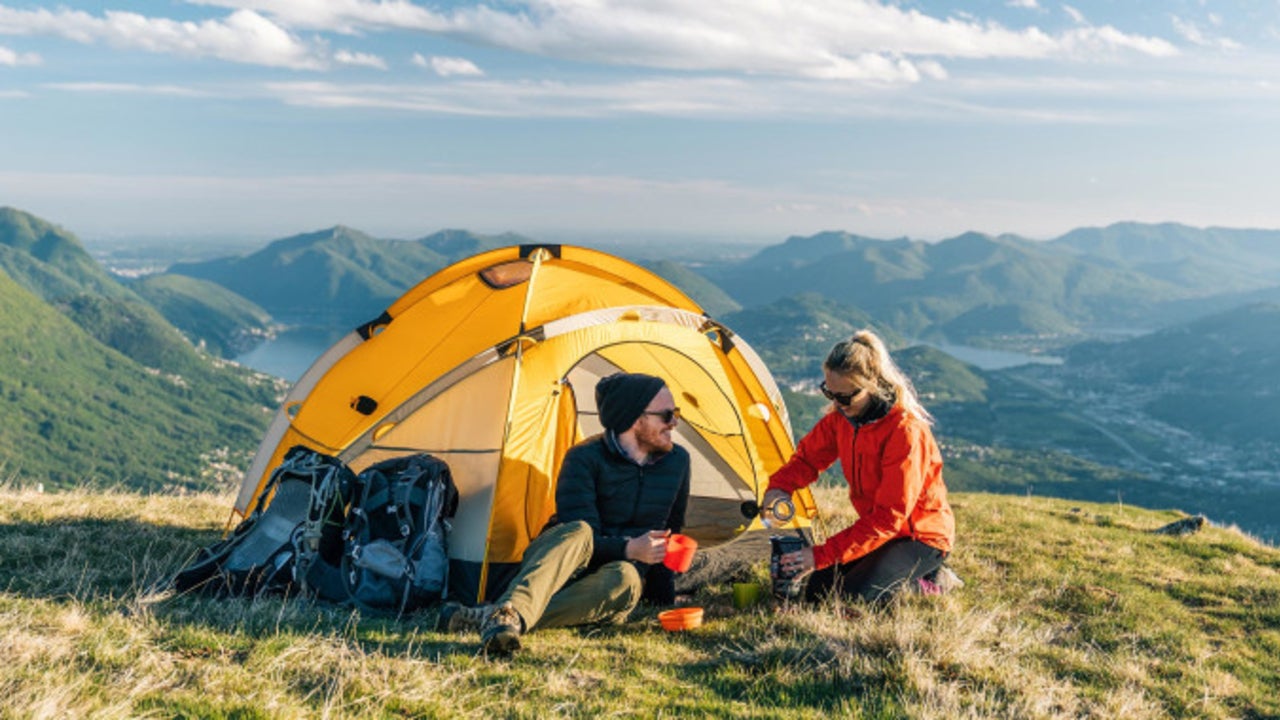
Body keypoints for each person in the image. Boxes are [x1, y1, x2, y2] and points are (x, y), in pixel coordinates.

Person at [437, 372, 691, 657]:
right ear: (634, 419)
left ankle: (500, 617)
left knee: (627, 578)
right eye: (666, 415)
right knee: (579, 530)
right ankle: (511, 611)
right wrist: (629, 548)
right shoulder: (584, 458)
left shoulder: (678, 461)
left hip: (605, 582)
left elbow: (671, 533)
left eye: (676, 413)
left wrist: (663, 599)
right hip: (559, 565)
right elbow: (581, 541)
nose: (674, 423)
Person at [763, 329, 955, 604]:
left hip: (919, 537)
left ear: (871, 385)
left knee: (853, 599)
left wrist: (819, 555)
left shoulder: (905, 431)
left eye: (844, 397)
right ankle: (894, 574)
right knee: (818, 591)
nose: (836, 404)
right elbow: (807, 460)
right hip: (880, 534)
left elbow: (889, 516)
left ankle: (931, 581)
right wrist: (780, 487)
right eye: (829, 393)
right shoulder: (841, 419)